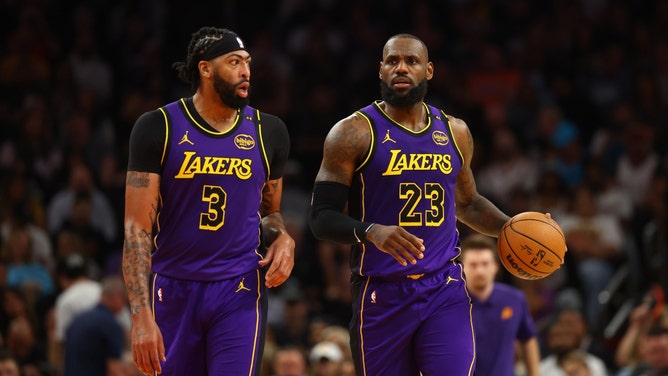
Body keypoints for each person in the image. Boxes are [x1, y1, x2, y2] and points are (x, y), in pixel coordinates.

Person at [309, 33, 513, 375]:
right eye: (392, 61)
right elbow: (321, 218)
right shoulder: (352, 133)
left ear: (428, 70)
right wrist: (371, 232)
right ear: (381, 70)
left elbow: (468, 204)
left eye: (411, 61)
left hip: (442, 286)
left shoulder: (455, 131)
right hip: (381, 292)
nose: (401, 68)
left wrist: (511, 227)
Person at [123, 26, 295, 375]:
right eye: (234, 62)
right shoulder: (158, 127)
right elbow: (136, 229)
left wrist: (283, 237)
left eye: (247, 62)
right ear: (205, 69)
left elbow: (270, 214)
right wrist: (140, 317)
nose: (246, 71)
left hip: (239, 288)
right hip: (173, 287)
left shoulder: (269, 131)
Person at [459, 233, 541, 376]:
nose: (480, 271)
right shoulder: (449, 303)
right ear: (462, 268)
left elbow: (528, 338)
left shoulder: (514, 299)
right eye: (473, 265)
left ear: (495, 266)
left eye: (485, 264)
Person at [64, 276, 128, 376]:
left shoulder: (78, 319)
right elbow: (114, 370)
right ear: (116, 297)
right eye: (123, 299)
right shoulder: (111, 325)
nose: (124, 305)